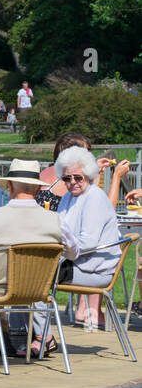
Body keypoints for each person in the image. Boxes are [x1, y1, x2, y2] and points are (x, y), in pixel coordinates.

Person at [0, 159, 78, 363]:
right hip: (35, 290)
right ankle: (1, 326)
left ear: (10, 184)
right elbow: (74, 252)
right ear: (38, 189)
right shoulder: (56, 220)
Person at [30, 146, 123, 345]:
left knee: (37, 275)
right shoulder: (66, 198)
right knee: (23, 271)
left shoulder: (95, 198)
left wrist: (57, 252)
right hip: (74, 262)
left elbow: (87, 243)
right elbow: (59, 231)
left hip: (95, 269)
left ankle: (42, 337)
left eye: (78, 177)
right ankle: (20, 334)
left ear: (88, 175)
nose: (72, 182)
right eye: (67, 178)